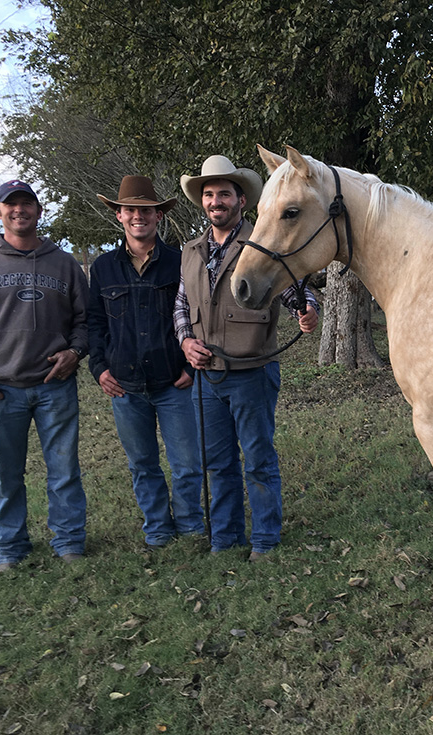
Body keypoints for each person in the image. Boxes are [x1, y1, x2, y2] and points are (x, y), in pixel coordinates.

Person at [175, 155, 319, 561]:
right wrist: (186, 341)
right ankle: (225, 539)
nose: (216, 201)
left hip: (252, 373)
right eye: (209, 194)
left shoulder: (263, 242)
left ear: (241, 200)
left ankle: (265, 541)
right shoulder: (190, 251)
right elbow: (181, 306)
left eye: (224, 193)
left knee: (257, 460)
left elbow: (296, 292)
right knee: (218, 463)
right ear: (201, 202)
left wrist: (306, 310)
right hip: (207, 378)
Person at [0, 180, 89, 573]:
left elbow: (85, 321)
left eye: (27, 204)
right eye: (11, 205)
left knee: (64, 471)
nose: (19, 210)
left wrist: (75, 352)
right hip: (0, 390)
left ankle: (69, 541)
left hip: (54, 386)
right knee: (6, 476)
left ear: (39, 212)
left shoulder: (64, 264)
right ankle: (9, 548)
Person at [88, 176, 205, 548]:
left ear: (158, 217)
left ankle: (189, 524)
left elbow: (195, 314)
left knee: (187, 464)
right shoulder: (103, 268)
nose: (139, 216)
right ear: (120, 216)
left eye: (147, 210)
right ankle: (157, 527)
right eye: (131, 210)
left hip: (174, 382)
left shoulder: (180, 261)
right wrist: (99, 368)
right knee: (143, 465)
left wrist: (190, 367)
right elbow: (94, 323)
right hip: (125, 385)